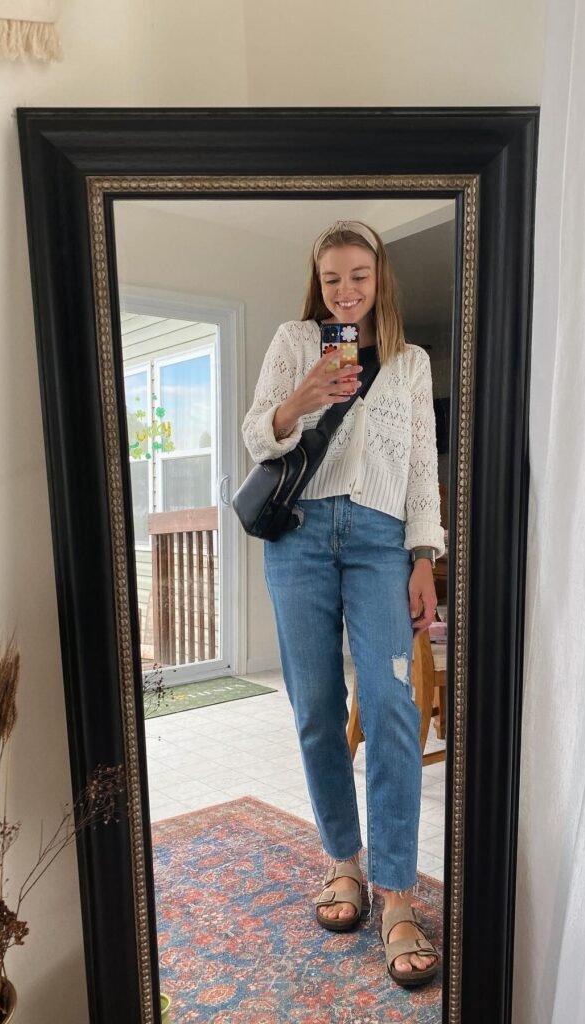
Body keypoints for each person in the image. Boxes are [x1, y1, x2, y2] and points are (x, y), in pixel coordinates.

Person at [241, 219, 445, 986]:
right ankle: (343, 862)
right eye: (332, 278)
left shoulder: (411, 361)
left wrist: (423, 555)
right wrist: (298, 400)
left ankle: (395, 892)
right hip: (295, 537)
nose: (346, 290)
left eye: (359, 275)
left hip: (378, 539)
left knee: (391, 706)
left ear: (378, 277)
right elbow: (257, 437)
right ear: (317, 282)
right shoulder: (296, 341)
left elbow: (421, 463)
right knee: (316, 708)